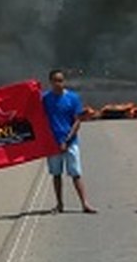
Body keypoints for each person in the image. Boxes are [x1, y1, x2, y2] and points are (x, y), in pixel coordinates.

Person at [42, 69, 97, 214]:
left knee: (76, 173)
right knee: (56, 174)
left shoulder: (73, 98)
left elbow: (77, 121)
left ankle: (85, 203)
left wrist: (67, 140)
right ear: (50, 82)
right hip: (53, 143)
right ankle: (59, 204)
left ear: (64, 81)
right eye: (55, 80)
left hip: (70, 141)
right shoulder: (45, 99)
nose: (58, 83)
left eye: (60, 80)